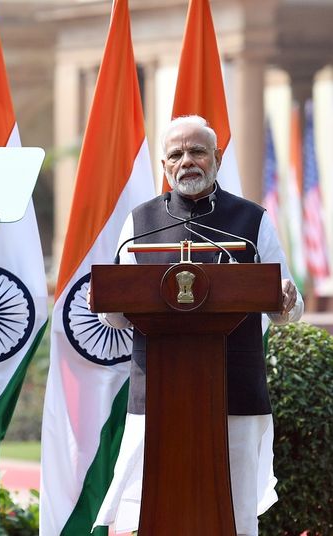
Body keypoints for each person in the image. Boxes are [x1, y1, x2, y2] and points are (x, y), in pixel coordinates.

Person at [93, 115, 303, 536]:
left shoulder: (252, 220)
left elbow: (286, 308)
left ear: (217, 158)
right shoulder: (139, 222)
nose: (187, 160)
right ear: (164, 165)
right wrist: (104, 300)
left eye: (197, 151)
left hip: (234, 389)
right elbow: (114, 316)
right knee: (152, 510)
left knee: (235, 510)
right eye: (176, 154)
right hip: (158, 391)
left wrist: (287, 300)